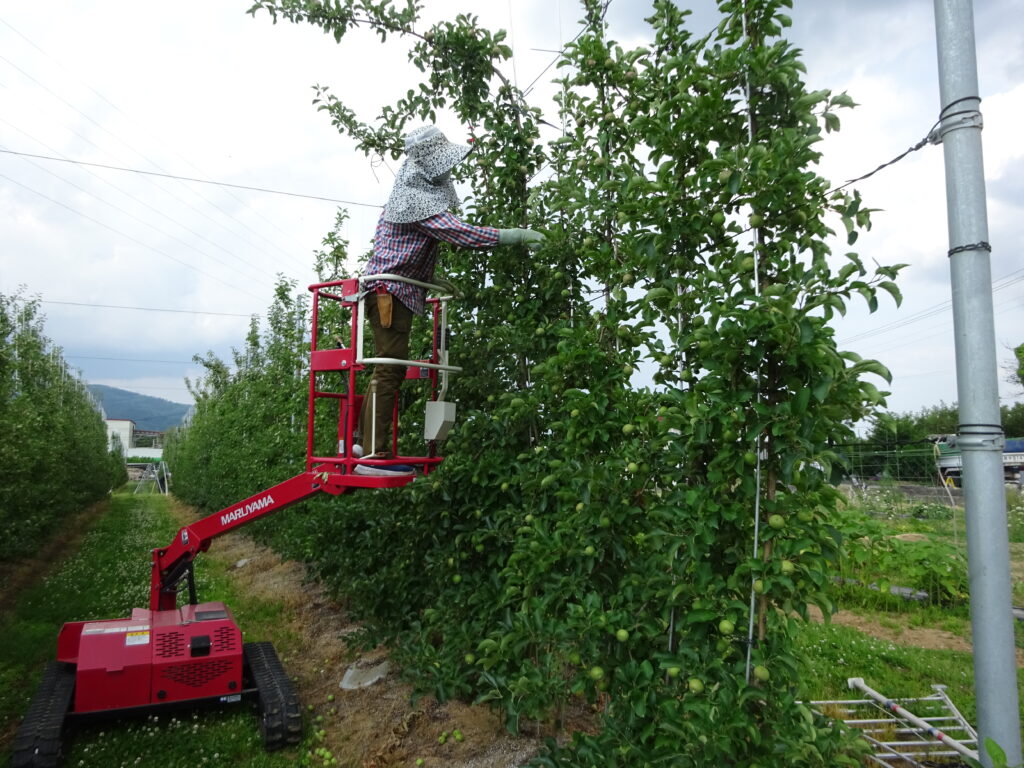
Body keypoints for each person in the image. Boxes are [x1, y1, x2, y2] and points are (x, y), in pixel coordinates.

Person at [354, 124, 543, 476]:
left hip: (392, 291)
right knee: (389, 369)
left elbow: (400, 252)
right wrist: (512, 235)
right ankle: (372, 456)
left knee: (385, 369)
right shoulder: (415, 202)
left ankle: (364, 444)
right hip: (389, 295)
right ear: (429, 165)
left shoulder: (405, 197)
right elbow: (458, 232)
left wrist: (432, 280)